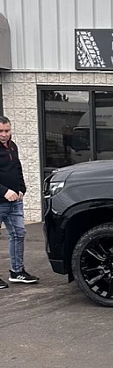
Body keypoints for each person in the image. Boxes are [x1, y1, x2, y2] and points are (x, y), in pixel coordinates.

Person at [0, 116, 39, 289]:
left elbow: (17, 168)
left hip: (15, 201)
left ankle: (17, 272)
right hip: (1, 200)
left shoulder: (13, 146)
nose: (4, 134)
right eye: (1, 131)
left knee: (18, 233)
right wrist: (4, 191)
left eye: (7, 130)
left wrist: (21, 188)